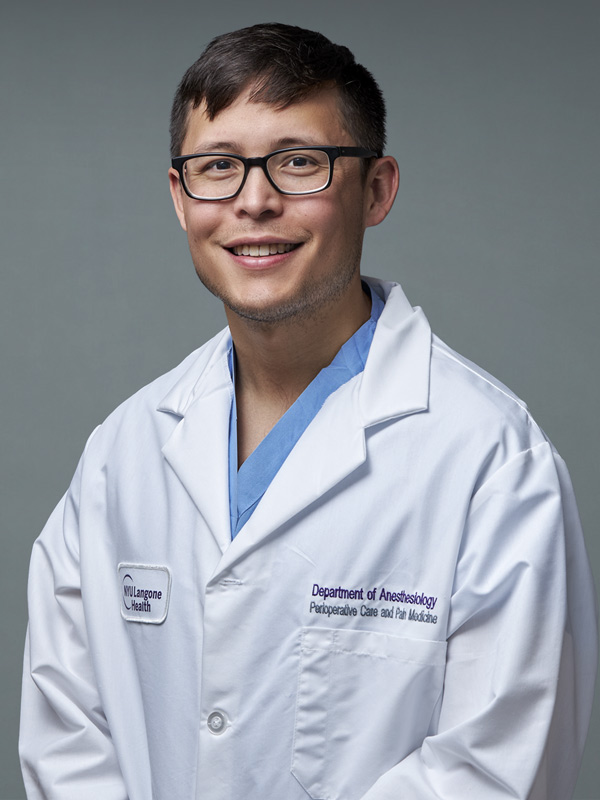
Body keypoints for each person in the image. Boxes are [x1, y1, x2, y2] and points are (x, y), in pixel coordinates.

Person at [20, 22, 597, 800]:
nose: (254, 201)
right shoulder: (120, 455)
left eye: (299, 162)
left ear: (376, 189)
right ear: (180, 198)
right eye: (217, 167)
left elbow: (496, 768)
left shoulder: (491, 460)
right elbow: (66, 738)